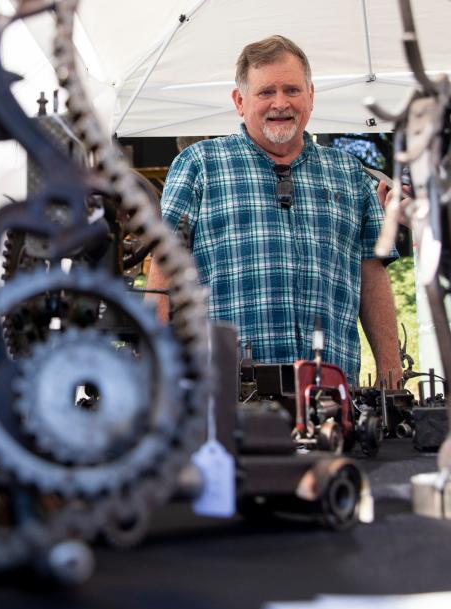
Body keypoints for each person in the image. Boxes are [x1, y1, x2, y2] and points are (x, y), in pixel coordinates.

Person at [146, 35, 402, 386]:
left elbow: (372, 276)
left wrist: (392, 378)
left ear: (310, 96)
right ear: (240, 101)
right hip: (223, 397)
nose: (280, 103)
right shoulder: (199, 165)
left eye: (292, 90)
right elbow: (163, 269)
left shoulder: (350, 174)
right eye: (266, 92)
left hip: (330, 398)